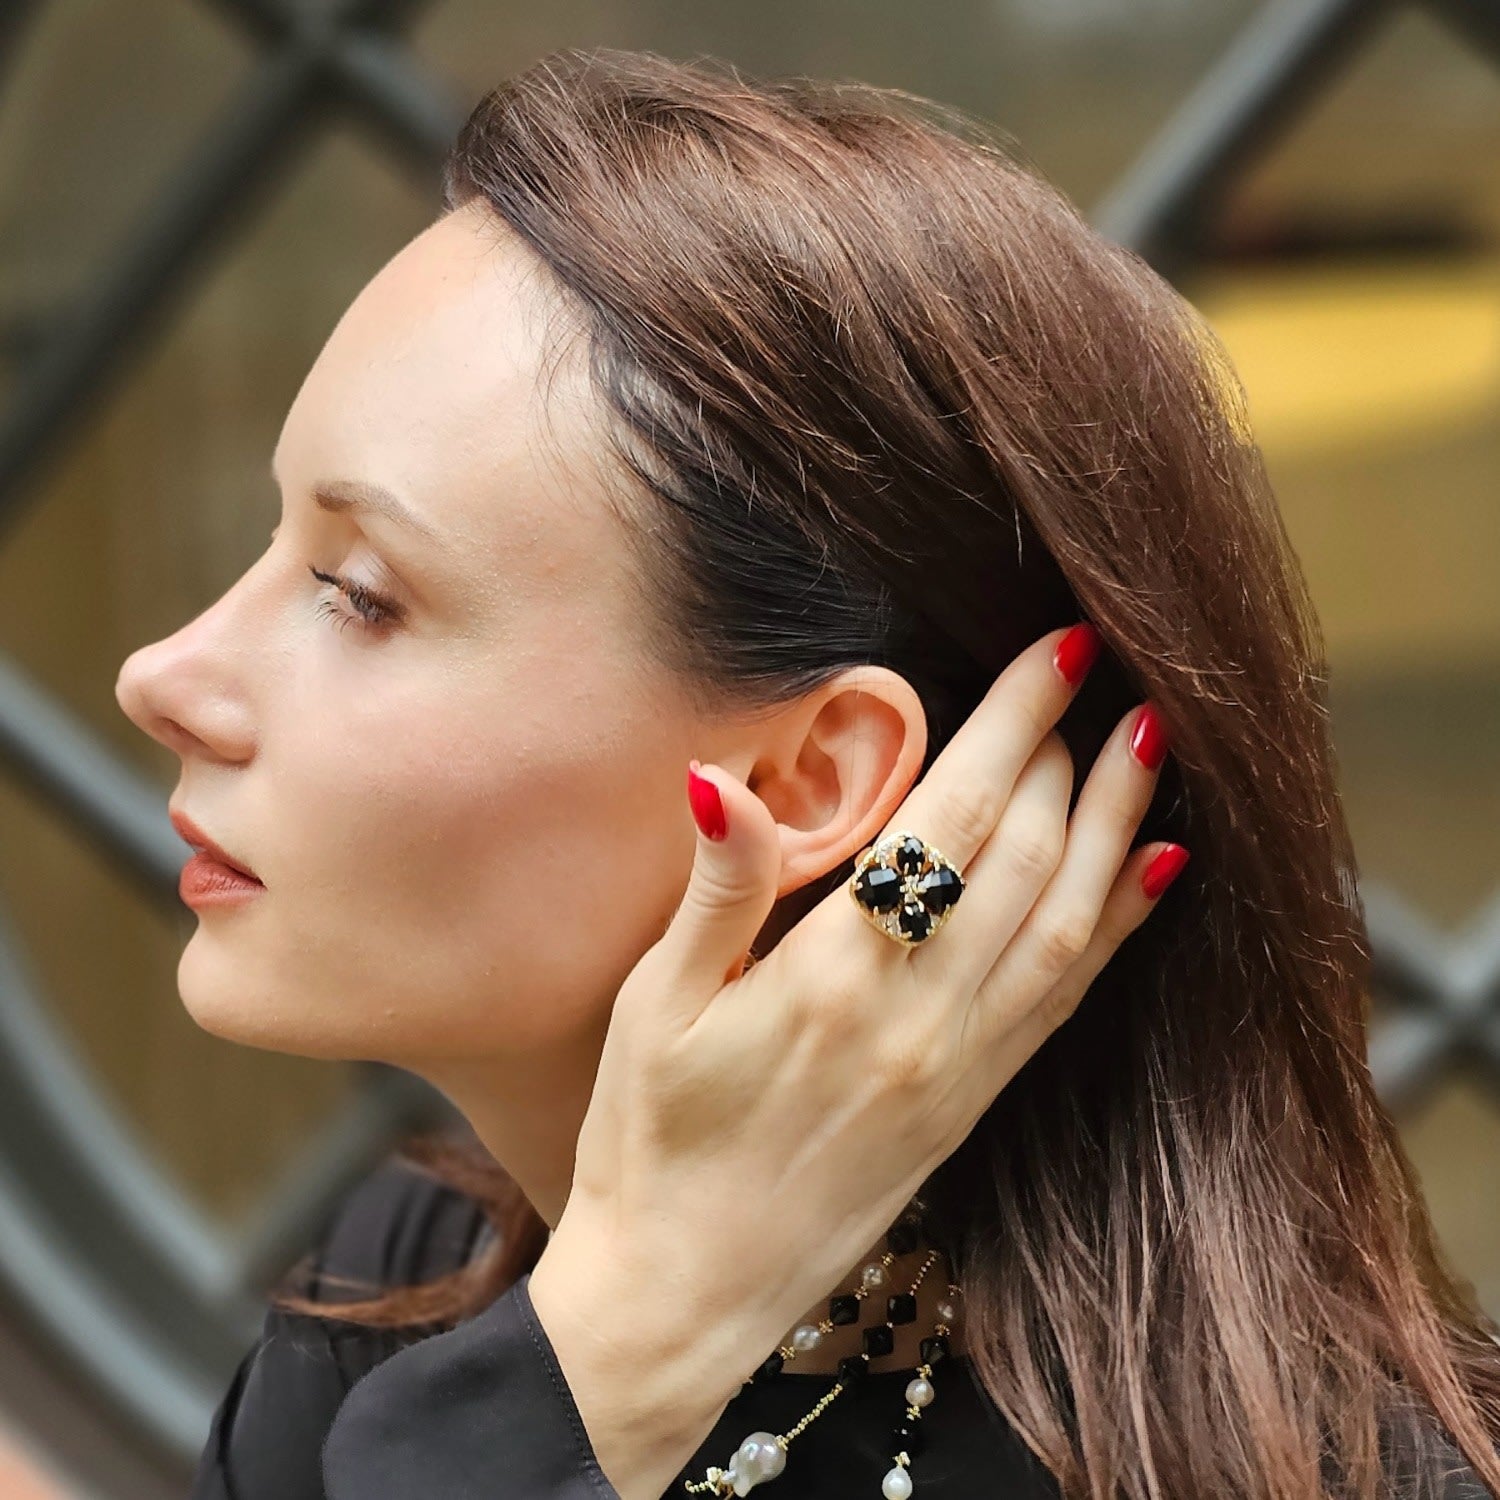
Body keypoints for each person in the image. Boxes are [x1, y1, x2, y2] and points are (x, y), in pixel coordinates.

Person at [113, 46, 1500, 1500]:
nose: (164, 675)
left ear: (811, 783)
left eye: (360, 594)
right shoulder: (401, 1288)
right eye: (278, 542)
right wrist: (606, 1343)